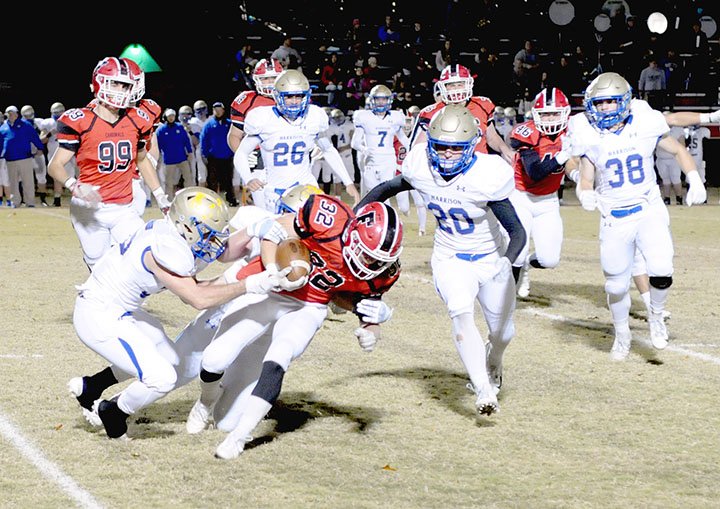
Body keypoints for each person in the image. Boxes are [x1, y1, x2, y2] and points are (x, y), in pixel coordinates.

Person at [186, 194, 403, 459]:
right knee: (214, 359)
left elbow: (359, 305)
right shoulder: (328, 219)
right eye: (369, 257)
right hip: (273, 291)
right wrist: (272, 271)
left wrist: (372, 329)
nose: (374, 266)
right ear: (354, 235)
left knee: (281, 355)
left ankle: (239, 438)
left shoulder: (384, 271)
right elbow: (273, 233)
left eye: (380, 261)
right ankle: (205, 402)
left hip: (309, 308)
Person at [67, 187, 289, 439]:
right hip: (99, 314)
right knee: (161, 378)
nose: (213, 239)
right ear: (188, 226)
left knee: (170, 359)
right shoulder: (166, 250)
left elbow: (222, 252)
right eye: (207, 232)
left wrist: (252, 231)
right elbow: (196, 298)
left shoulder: (171, 233)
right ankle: (113, 411)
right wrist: (250, 284)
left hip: (122, 308)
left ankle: (91, 387)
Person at [358, 104, 527, 416]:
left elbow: (517, 231)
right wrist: (356, 214)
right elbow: (386, 188)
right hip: (450, 257)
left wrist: (509, 261)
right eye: (441, 147)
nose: (447, 155)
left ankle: (495, 360)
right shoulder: (421, 165)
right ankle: (483, 389)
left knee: (503, 333)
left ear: (470, 146)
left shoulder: (487, 174)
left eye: (456, 148)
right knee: (460, 312)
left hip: (490, 258)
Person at [569, 72, 706, 361]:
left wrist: (694, 178)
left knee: (661, 269)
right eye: (599, 102)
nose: (605, 108)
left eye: (610, 101)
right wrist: (585, 192)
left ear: (625, 101)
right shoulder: (586, 131)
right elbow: (586, 176)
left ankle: (656, 316)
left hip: (647, 208)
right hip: (614, 217)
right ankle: (622, 334)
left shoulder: (644, 120)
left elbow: (678, 148)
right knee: (616, 286)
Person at [47, 57, 167, 270]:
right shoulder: (80, 120)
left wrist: (160, 196)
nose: (120, 90)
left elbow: (142, 159)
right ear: (99, 83)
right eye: (115, 83)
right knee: (99, 264)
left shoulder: (137, 119)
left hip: (123, 207)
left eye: (125, 85)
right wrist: (74, 185)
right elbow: (55, 165)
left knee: (143, 253)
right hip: (89, 207)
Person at [233, 69, 360, 214]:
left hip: (305, 188)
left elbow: (328, 150)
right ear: (277, 96)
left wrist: (348, 182)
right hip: (274, 191)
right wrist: (248, 178)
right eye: (289, 96)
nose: (294, 101)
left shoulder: (313, 116)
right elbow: (241, 153)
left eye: (298, 96)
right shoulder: (263, 118)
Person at [508, 88, 574, 298]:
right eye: (545, 113)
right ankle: (507, 296)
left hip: (548, 201)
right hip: (521, 197)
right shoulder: (526, 134)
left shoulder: (572, 131)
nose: (550, 118)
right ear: (536, 115)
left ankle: (527, 265)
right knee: (517, 253)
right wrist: (562, 156)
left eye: (554, 113)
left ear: (565, 113)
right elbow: (534, 172)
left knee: (549, 260)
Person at [410, 64, 515, 164]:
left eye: (460, 84)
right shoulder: (430, 113)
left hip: (478, 165)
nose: (456, 89)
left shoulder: (483, 105)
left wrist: (505, 150)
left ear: (468, 84)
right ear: (443, 87)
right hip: (445, 165)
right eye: (451, 85)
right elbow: (417, 149)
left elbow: (491, 137)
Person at [228, 58, 284, 209]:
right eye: (265, 78)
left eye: (274, 78)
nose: (270, 82)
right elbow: (234, 135)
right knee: (261, 206)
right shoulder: (247, 100)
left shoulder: (292, 97)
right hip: (258, 158)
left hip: (286, 156)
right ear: (257, 80)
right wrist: (243, 155)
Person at [351, 84, 409, 197]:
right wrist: (364, 150)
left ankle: (385, 214)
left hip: (388, 160)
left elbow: (403, 138)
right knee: (372, 194)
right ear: (372, 100)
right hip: (371, 160)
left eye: (384, 99)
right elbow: (354, 143)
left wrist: (413, 149)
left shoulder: (396, 117)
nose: (381, 102)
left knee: (385, 195)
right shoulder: (364, 117)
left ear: (389, 100)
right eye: (378, 99)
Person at [0, 105, 44, 207]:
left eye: (12, 113)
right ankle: (15, 202)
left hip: (25, 158)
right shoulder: (3, 128)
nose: (10, 115)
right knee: (13, 183)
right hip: (10, 159)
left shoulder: (26, 125)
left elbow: (35, 138)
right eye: (8, 114)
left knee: (28, 182)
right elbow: (1, 143)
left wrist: (40, 148)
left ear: (16, 114)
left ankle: (30, 203)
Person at [394, 105, 427, 236]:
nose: (407, 127)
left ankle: (422, 228)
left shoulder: (419, 136)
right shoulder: (395, 137)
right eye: (405, 124)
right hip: (399, 173)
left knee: (420, 203)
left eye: (409, 124)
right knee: (404, 208)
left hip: (414, 174)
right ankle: (405, 213)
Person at [201, 102, 237, 206]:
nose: (218, 111)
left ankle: (231, 199)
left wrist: (233, 152)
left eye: (219, 109)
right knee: (212, 181)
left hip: (227, 156)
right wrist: (205, 154)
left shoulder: (229, 123)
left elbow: (234, 136)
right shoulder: (209, 124)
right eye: (215, 109)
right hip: (213, 157)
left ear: (223, 110)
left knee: (228, 180)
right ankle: (211, 200)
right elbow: (204, 139)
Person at [44, 102, 79, 207]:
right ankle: (57, 199)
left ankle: (75, 199)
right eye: (56, 112)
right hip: (54, 153)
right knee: (57, 177)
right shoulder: (48, 123)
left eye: (60, 111)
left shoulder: (69, 121)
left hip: (68, 152)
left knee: (71, 176)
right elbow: (42, 140)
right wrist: (50, 133)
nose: (58, 114)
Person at [155, 109, 194, 195]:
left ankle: (188, 196)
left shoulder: (179, 127)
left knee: (188, 178)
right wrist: (157, 157)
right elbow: (158, 145)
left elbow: (186, 141)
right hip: (169, 160)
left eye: (173, 116)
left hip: (182, 158)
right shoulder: (161, 131)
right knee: (169, 181)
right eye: (169, 116)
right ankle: (168, 199)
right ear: (166, 117)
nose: (171, 118)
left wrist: (190, 151)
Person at [20, 105, 50, 206]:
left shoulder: (40, 122)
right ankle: (24, 200)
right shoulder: (20, 124)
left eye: (30, 114)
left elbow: (44, 139)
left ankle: (43, 199)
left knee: (41, 178)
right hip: (25, 155)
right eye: (26, 115)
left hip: (37, 154)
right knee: (24, 178)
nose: (28, 117)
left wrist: (39, 146)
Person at [654, 125, 686, 205]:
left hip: (674, 158)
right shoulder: (658, 128)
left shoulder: (678, 129)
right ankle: (666, 198)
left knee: (676, 179)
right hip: (661, 158)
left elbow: (682, 144)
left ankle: (679, 198)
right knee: (665, 179)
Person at [189, 100, 210, 187]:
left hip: (212, 149)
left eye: (203, 109)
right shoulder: (192, 122)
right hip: (200, 149)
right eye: (198, 109)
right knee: (201, 173)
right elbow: (195, 141)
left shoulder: (211, 120)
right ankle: (201, 193)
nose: (201, 112)